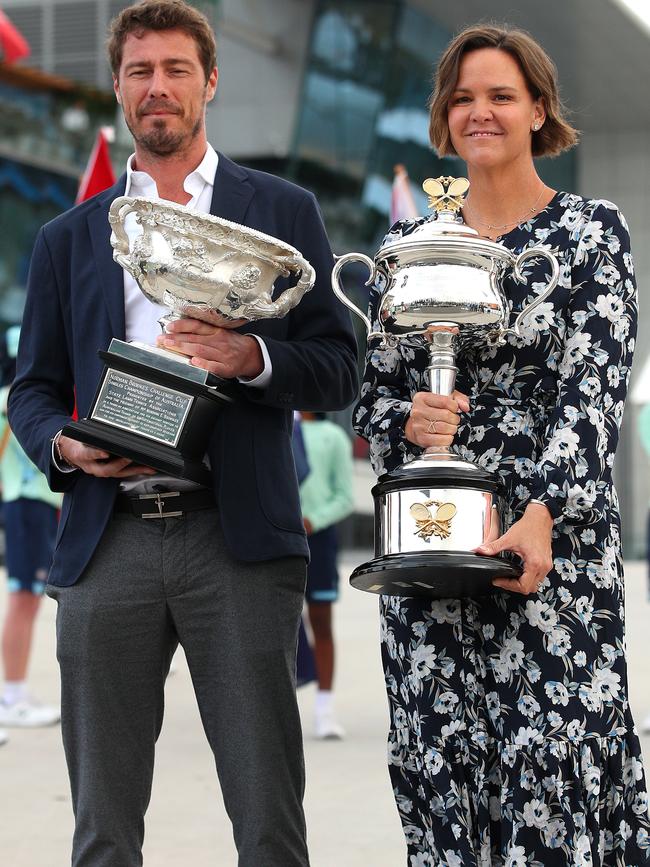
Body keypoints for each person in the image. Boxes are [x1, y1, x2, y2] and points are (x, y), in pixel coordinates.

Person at [8, 1, 357, 864]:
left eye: (173, 69)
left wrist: (250, 357)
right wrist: (66, 444)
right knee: (102, 829)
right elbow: (33, 390)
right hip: (108, 536)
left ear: (210, 81)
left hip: (236, 540)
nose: (156, 87)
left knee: (269, 819)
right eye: (138, 72)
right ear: (119, 88)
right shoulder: (69, 237)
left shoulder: (279, 209)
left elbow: (338, 365)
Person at [353, 23, 650, 865]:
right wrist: (410, 421)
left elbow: (592, 389)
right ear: (444, 118)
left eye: (500, 96)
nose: (478, 111)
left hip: (550, 546)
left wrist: (546, 512)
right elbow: (371, 400)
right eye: (462, 97)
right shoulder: (403, 251)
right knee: (443, 770)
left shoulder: (594, 233)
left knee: (556, 771)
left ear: (539, 111)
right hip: (432, 540)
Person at [0, 326, 61, 742]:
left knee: (27, 600)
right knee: (23, 599)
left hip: (29, 504)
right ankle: (13, 694)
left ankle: (15, 692)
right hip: (26, 502)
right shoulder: (15, 403)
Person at [299, 411, 353, 739]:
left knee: (320, 622)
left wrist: (313, 520)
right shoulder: (271, 422)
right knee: (272, 628)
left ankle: (324, 711)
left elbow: (345, 496)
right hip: (276, 538)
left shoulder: (333, 436)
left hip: (317, 539)